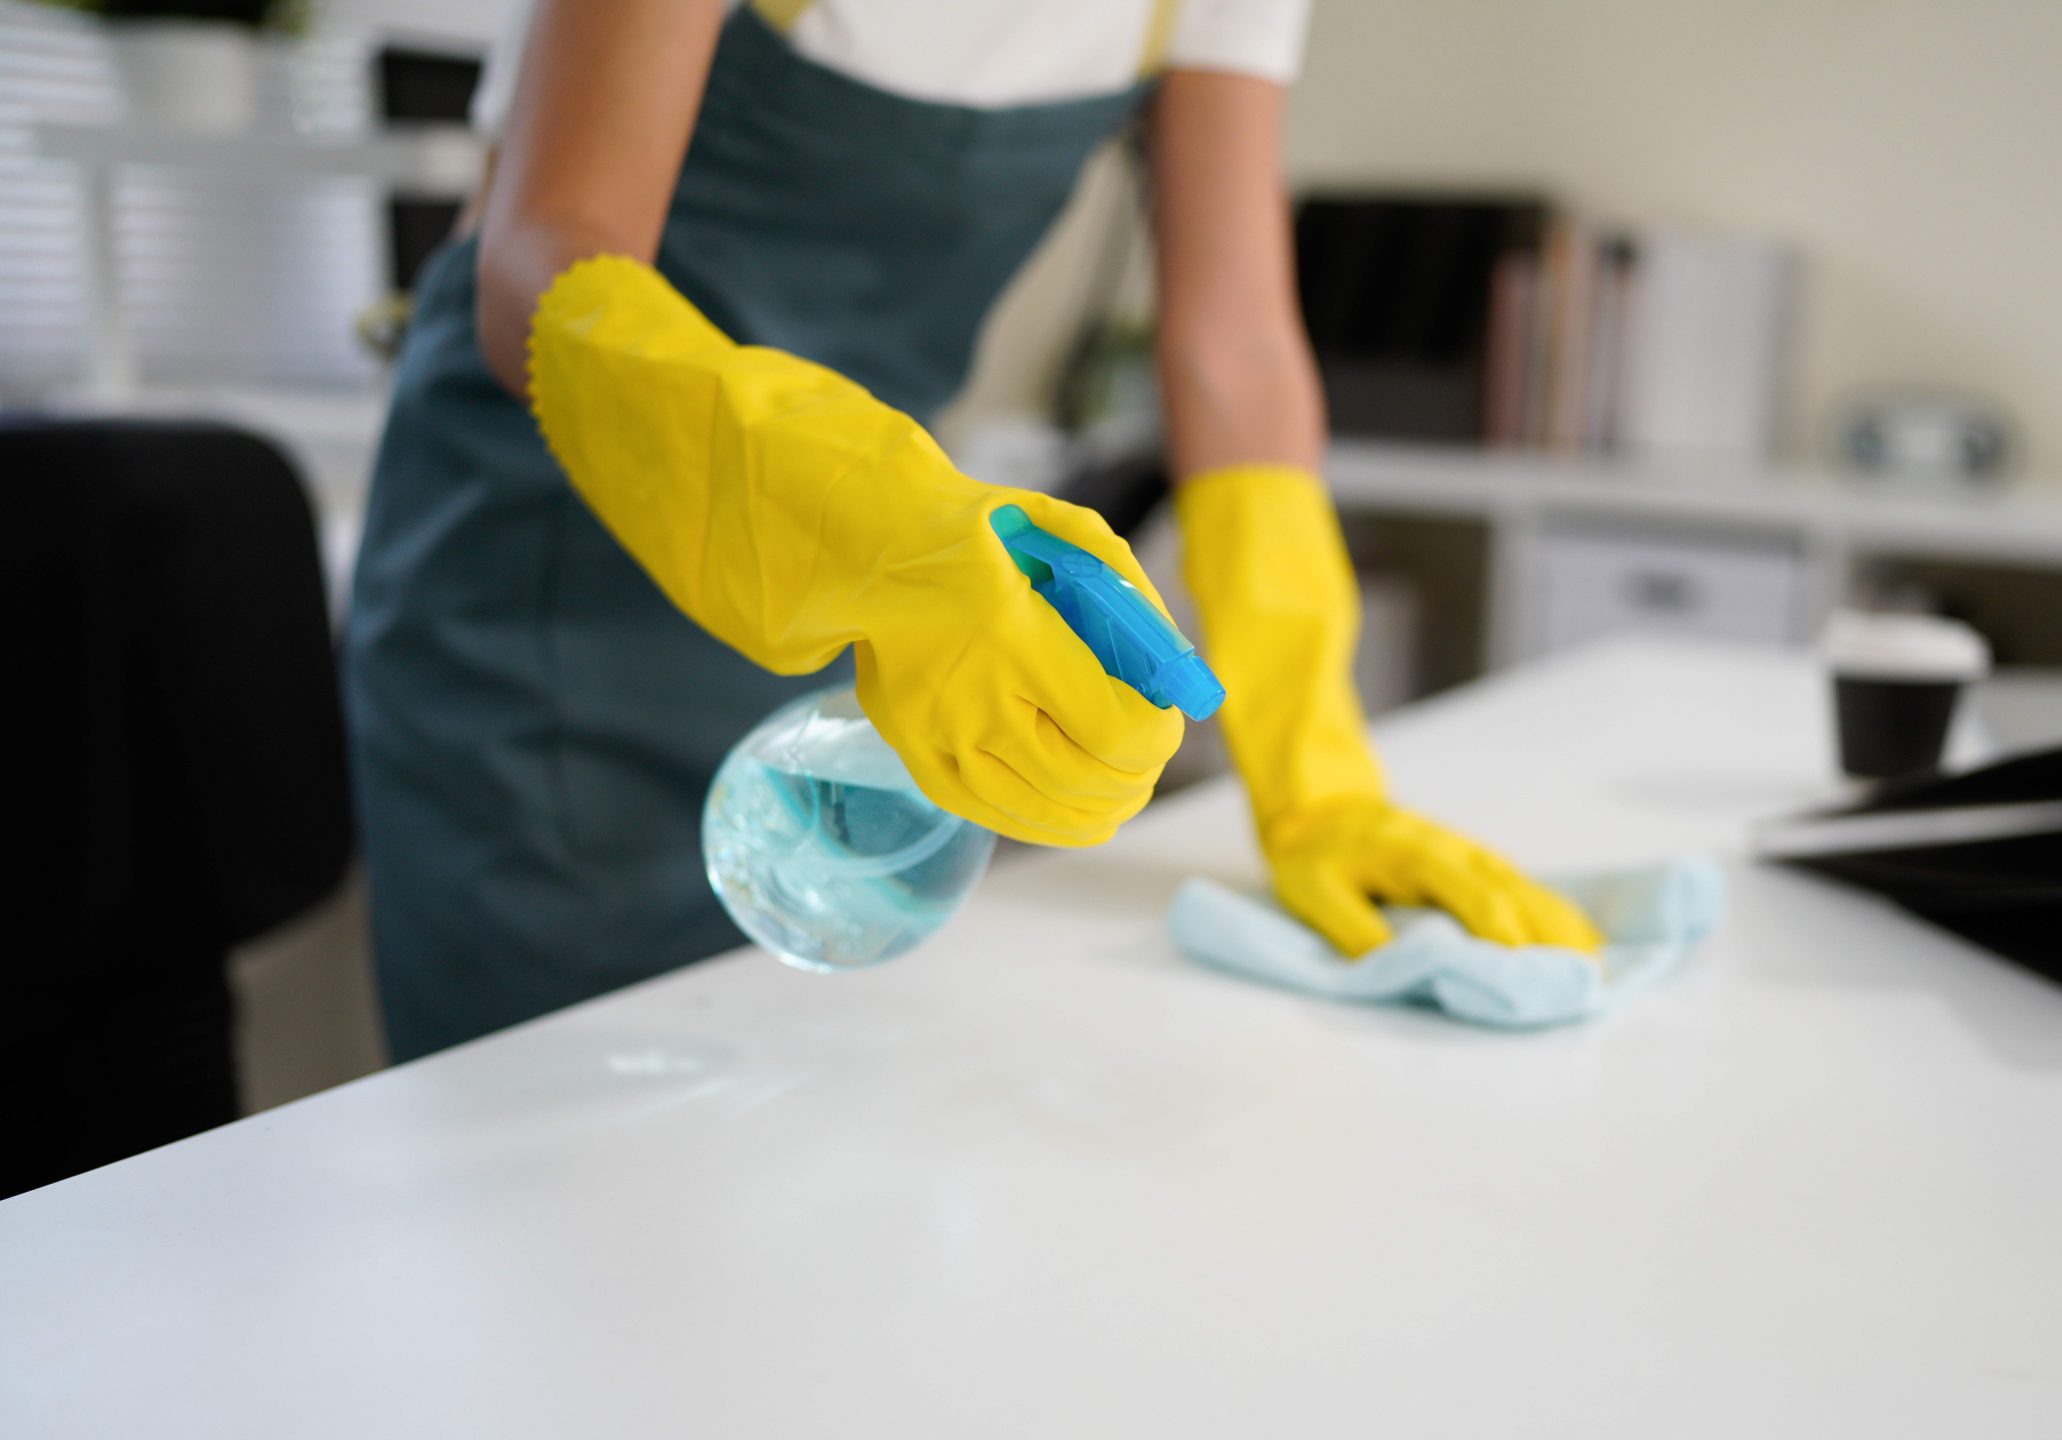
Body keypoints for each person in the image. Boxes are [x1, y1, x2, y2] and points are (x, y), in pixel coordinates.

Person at [343, 0, 1599, 1062]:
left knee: (783, 1134)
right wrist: (863, 517)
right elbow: (543, 244)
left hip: (870, 592)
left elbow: (1236, 346)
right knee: (562, 1167)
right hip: (544, 575)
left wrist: (1316, 774)